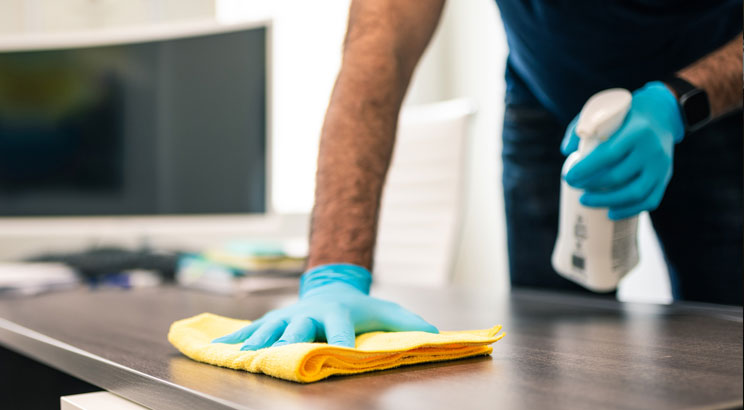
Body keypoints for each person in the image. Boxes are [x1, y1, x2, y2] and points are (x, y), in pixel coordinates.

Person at [214, 0, 743, 351]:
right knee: (557, 354)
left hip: (717, 95)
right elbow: (380, 47)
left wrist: (681, 102)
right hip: (547, 94)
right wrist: (334, 272)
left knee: (725, 337)